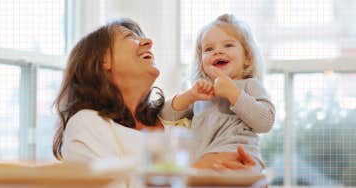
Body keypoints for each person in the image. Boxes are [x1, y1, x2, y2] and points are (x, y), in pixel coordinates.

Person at [52, 17, 257, 186]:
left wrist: (251, 179)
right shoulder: (87, 124)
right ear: (103, 61)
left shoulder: (177, 122)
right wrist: (198, 173)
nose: (148, 42)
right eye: (130, 37)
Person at [160, 14, 275, 172]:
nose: (218, 51)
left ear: (247, 57)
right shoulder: (201, 91)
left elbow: (265, 122)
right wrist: (189, 96)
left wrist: (233, 92)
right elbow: (164, 114)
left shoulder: (249, 85)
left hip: (236, 153)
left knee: (184, 178)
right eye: (209, 49)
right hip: (203, 158)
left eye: (228, 45)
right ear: (201, 62)